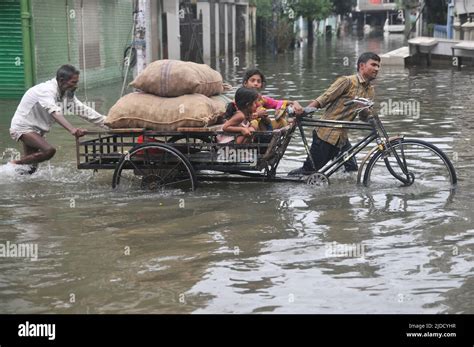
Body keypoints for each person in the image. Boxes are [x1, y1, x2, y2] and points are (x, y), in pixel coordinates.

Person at [288, 52, 381, 176]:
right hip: (326, 135)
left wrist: (370, 115)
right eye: (373, 65)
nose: (376, 69)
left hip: (342, 138)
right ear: (362, 66)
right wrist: (303, 112)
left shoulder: (370, 90)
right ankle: (288, 182)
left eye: (378, 66)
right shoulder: (347, 82)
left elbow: (362, 115)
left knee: (351, 169)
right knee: (308, 172)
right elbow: (324, 98)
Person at [9, 64, 107, 174]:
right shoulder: (46, 90)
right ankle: (13, 164)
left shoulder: (66, 93)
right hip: (23, 127)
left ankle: (10, 175)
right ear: (61, 80)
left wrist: (109, 122)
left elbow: (84, 111)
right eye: (73, 82)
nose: (76, 85)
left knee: (31, 169)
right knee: (49, 151)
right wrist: (72, 129)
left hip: (37, 130)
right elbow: (54, 112)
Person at [227, 68, 303, 132]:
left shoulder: (262, 99)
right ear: (245, 83)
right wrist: (257, 115)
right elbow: (239, 117)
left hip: (261, 129)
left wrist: (295, 103)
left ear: (261, 85)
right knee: (255, 122)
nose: (256, 84)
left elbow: (279, 103)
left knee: (282, 122)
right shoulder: (240, 99)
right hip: (245, 128)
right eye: (252, 80)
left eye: (258, 81)